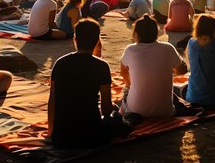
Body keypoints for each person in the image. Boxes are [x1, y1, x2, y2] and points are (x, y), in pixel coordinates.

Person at [49, 17, 130, 148]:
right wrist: (115, 109)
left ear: (75, 40)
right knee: (117, 118)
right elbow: (105, 110)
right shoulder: (101, 66)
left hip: (61, 138)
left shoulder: (60, 63)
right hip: (92, 137)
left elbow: (52, 101)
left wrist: (51, 131)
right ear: (98, 41)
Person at [120, 14, 187, 118]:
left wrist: (130, 85)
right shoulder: (168, 48)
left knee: (125, 91)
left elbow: (123, 72)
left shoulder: (130, 50)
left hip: (137, 112)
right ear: (156, 33)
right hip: (166, 112)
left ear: (136, 34)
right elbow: (182, 70)